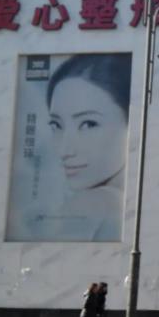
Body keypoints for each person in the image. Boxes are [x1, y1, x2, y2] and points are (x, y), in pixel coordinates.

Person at [46, 54, 132, 242]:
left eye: (88, 124)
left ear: (130, 124)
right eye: (56, 125)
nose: (65, 150)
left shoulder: (88, 204)